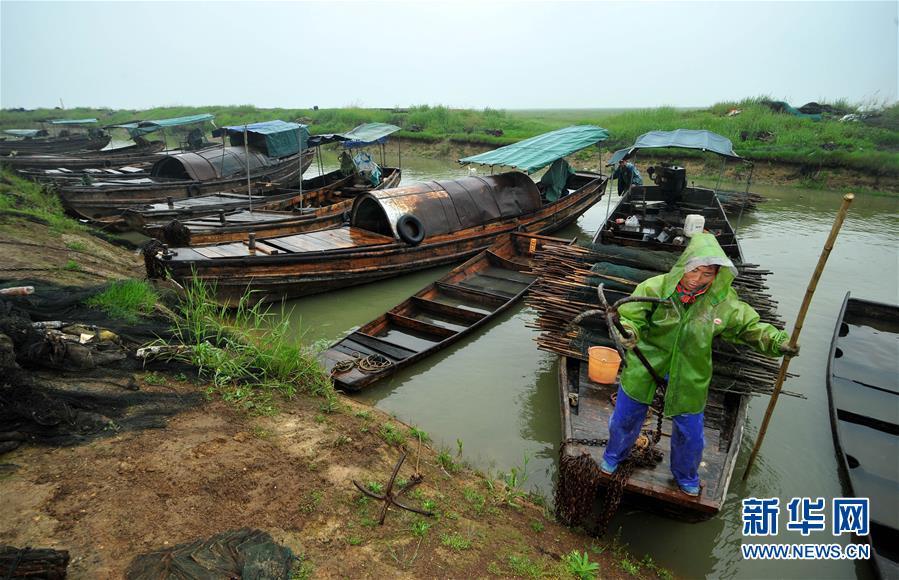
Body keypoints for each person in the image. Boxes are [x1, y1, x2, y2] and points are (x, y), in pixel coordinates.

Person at [599, 233, 798, 496]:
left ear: (717, 275)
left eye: (708, 274)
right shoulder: (654, 289)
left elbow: (750, 326)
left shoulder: (722, 302)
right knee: (626, 416)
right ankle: (614, 455)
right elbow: (631, 317)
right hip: (647, 361)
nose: (698, 279)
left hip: (691, 370)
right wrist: (629, 332)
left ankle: (685, 475)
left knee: (690, 432)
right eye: (694, 271)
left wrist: (777, 342)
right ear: (684, 266)